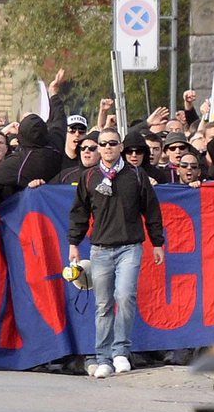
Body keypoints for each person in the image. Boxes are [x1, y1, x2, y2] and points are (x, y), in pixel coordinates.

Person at [67, 128, 164, 379]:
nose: (108, 147)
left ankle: (120, 350)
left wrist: (157, 242)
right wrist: (73, 243)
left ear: (121, 147)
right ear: (98, 148)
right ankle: (102, 357)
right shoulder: (89, 177)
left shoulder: (136, 175)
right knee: (102, 305)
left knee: (125, 296)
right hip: (100, 249)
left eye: (113, 143)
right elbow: (79, 212)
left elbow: (151, 210)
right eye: (103, 143)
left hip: (130, 246)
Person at [0, 69, 67, 212]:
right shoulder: (56, 143)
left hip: (26, 216)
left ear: (21, 137)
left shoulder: (18, 162)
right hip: (56, 212)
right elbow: (59, 118)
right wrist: (54, 93)